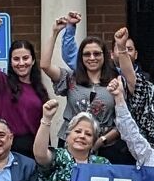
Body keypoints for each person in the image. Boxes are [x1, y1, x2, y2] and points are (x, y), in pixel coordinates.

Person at [43, 14, 118, 158]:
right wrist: (54, 33)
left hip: (105, 146)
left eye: (97, 54)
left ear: (105, 56)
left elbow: (121, 119)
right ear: (81, 58)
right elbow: (45, 65)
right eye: (86, 54)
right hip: (70, 143)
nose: (92, 58)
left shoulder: (115, 80)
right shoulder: (71, 77)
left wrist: (101, 141)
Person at [0, 16, 52, 154]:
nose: (21, 63)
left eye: (25, 58)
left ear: (32, 61)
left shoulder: (39, 89)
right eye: (16, 59)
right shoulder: (2, 83)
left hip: (34, 148)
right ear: (11, 62)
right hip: (6, 147)